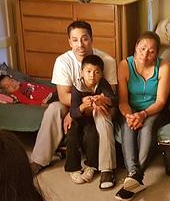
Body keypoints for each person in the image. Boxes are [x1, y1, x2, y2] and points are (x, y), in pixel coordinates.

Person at [30, 21, 118, 189]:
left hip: (99, 103)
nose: (80, 44)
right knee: (53, 109)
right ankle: (39, 160)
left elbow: (110, 94)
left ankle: (107, 168)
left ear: (91, 39)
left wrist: (91, 104)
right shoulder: (63, 61)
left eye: (84, 39)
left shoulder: (107, 60)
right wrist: (78, 107)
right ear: (69, 42)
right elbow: (64, 96)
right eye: (75, 40)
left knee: (102, 112)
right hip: (74, 101)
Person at [115, 31, 170, 201]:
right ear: (136, 48)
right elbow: (123, 101)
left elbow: (161, 101)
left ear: (157, 53)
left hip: (154, 110)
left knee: (147, 128)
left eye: (151, 51)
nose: (145, 54)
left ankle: (135, 176)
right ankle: (134, 173)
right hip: (131, 109)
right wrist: (129, 115)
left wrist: (144, 114)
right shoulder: (125, 65)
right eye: (142, 48)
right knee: (127, 127)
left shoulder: (163, 67)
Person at [67, 54, 118, 188]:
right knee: (72, 135)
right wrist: (83, 106)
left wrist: (104, 99)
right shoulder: (77, 86)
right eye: (88, 72)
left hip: (92, 120)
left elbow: (113, 100)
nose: (92, 76)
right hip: (79, 118)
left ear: (101, 74)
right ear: (82, 72)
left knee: (92, 135)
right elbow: (73, 111)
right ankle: (73, 168)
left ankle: (91, 166)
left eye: (96, 72)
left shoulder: (103, 84)